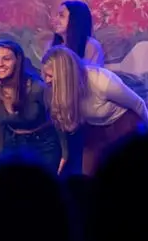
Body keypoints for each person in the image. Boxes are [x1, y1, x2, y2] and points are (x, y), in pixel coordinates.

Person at [41, 45, 148, 175]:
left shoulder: (102, 82)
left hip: (123, 124)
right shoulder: (55, 89)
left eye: (50, 76)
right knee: (89, 173)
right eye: (45, 75)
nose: (47, 80)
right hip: (95, 129)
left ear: (65, 75)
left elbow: (138, 104)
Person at [0, 40, 66, 174]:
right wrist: (0, 156)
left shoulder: (37, 88)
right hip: (12, 142)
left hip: (43, 144)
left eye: (6, 59)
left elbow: (57, 118)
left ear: (17, 62)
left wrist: (65, 153)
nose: (0, 64)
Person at [50, 0, 104, 65]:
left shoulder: (91, 46)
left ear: (75, 19)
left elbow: (92, 73)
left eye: (61, 16)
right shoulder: (50, 45)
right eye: (57, 15)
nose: (56, 20)